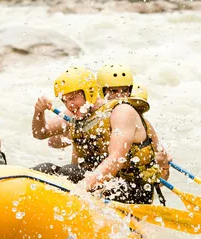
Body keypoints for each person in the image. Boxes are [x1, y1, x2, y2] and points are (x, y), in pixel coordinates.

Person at [35, 66, 164, 205]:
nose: (69, 104)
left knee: (69, 171)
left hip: (132, 189)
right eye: (64, 100)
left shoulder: (122, 112)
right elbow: (41, 134)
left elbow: (116, 158)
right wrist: (38, 112)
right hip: (100, 181)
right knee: (46, 169)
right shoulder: (78, 112)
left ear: (90, 92)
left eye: (72, 98)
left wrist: (80, 189)